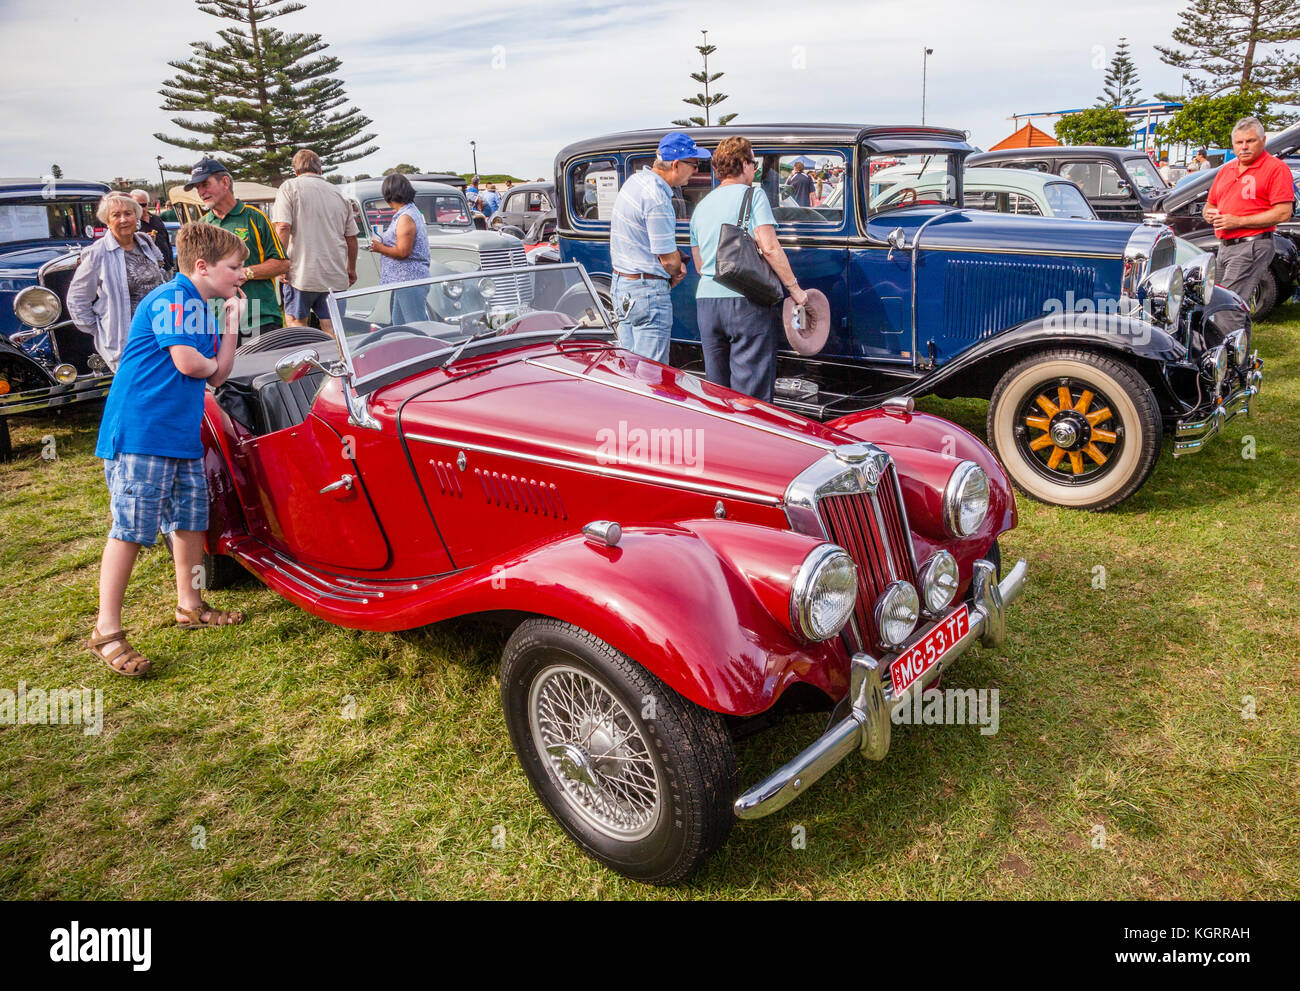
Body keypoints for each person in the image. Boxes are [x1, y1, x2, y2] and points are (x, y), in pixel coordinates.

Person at [87, 223, 249, 677]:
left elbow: (216, 375)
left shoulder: (199, 306)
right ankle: (107, 630)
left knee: (190, 522)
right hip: (142, 434)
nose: (242, 274)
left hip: (177, 435)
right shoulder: (172, 299)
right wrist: (214, 355)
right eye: (234, 267)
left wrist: (232, 325)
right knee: (131, 530)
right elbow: (191, 363)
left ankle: (190, 604)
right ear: (202, 266)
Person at [690, 135, 808, 403]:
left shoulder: (702, 206)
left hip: (707, 303)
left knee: (717, 390)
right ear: (743, 164)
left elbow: (700, 265)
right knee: (751, 393)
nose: (754, 169)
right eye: (753, 163)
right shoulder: (754, 195)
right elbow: (770, 248)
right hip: (745, 301)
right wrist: (794, 289)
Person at [608, 131, 708, 362]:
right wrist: (678, 270)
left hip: (622, 284)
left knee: (630, 368)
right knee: (650, 372)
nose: (695, 171)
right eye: (693, 164)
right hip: (647, 290)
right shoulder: (658, 198)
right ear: (675, 164)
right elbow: (668, 259)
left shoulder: (633, 183)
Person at [187, 157, 288, 341]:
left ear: (225, 182)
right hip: (219, 325)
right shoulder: (202, 227)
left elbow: (282, 263)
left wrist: (245, 273)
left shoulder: (255, 217)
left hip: (260, 318)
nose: (201, 192)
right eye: (197, 187)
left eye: (205, 184)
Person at [66, 192, 166, 370]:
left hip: (159, 333)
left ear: (136, 216)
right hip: (127, 341)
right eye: (116, 215)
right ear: (107, 220)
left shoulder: (146, 242)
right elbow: (77, 300)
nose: (123, 220)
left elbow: (162, 272)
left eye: (128, 213)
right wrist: (102, 330)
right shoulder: (98, 253)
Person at [1203, 117, 1295, 306]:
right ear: (1233, 145)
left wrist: (1237, 221)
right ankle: (1236, 336)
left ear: (1263, 141)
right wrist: (1209, 213)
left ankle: (1227, 335)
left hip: (1252, 244)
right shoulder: (1226, 170)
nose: (1244, 147)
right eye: (1239, 142)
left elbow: (1283, 212)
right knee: (1219, 301)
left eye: (1250, 141)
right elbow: (1209, 204)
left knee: (1226, 305)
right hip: (1225, 245)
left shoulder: (1276, 168)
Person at [271, 148, 359, 336]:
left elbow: (283, 227)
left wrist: (280, 263)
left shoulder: (289, 187)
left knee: (297, 326)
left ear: (295, 172)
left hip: (301, 274)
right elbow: (351, 237)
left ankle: (306, 365)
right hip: (334, 275)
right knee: (333, 331)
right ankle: (336, 364)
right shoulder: (340, 194)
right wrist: (350, 268)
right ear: (320, 170)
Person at [368, 172, 430, 325]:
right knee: (400, 324)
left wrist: (380, 248)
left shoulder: (405, 217)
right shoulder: (407, 212)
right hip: (403, 281)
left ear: (389, 194)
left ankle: (427, 349)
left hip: (409, 280)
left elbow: (403, 252)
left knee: (416, 326)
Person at [131, 189, 173, 271]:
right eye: (138, 205)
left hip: (166, 268)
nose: (141, 208)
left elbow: (166, 241)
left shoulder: (156, 219)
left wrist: (171, 263)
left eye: (143, 205)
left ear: (148, 204)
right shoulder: (132, 224)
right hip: (147, 271)